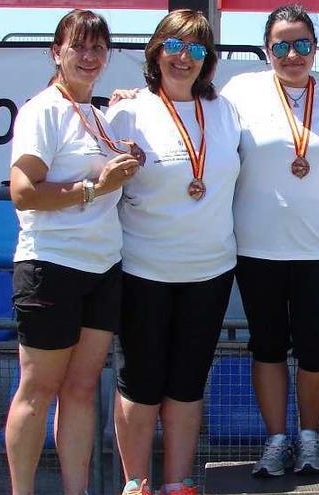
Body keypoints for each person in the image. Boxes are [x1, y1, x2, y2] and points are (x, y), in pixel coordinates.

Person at [220, 3, 319, 478]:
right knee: (267, 346)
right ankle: (276, 439)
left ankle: (307, 439)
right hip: (256, 248)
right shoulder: (241, 91)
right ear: (267, 49)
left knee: (317, 349)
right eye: (281, 45)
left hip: (315, 249)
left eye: (302, 44)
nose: (292, 54)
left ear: (315, 49)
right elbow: (196, 118)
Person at [106, 10, 241, 495]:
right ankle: (136, 484)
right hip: (144, 270)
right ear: (156, 51)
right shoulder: (125, 112)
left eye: (198, 50)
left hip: (211, 271)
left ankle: (178, 483)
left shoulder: (226, 111)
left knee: (187, 383)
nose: (184, 58)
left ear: (208, 61)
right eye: (175, 46)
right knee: (140, 385)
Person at [5, 9, 139, 495]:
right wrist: (94, 186)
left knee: (82, 392)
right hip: (51, 266)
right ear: (56, 52)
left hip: (102, 267)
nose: (89, 56)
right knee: (38, 391)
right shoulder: (43, 109)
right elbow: (23, 191)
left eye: (98, 48)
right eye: (79, 46)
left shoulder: (97, 114)